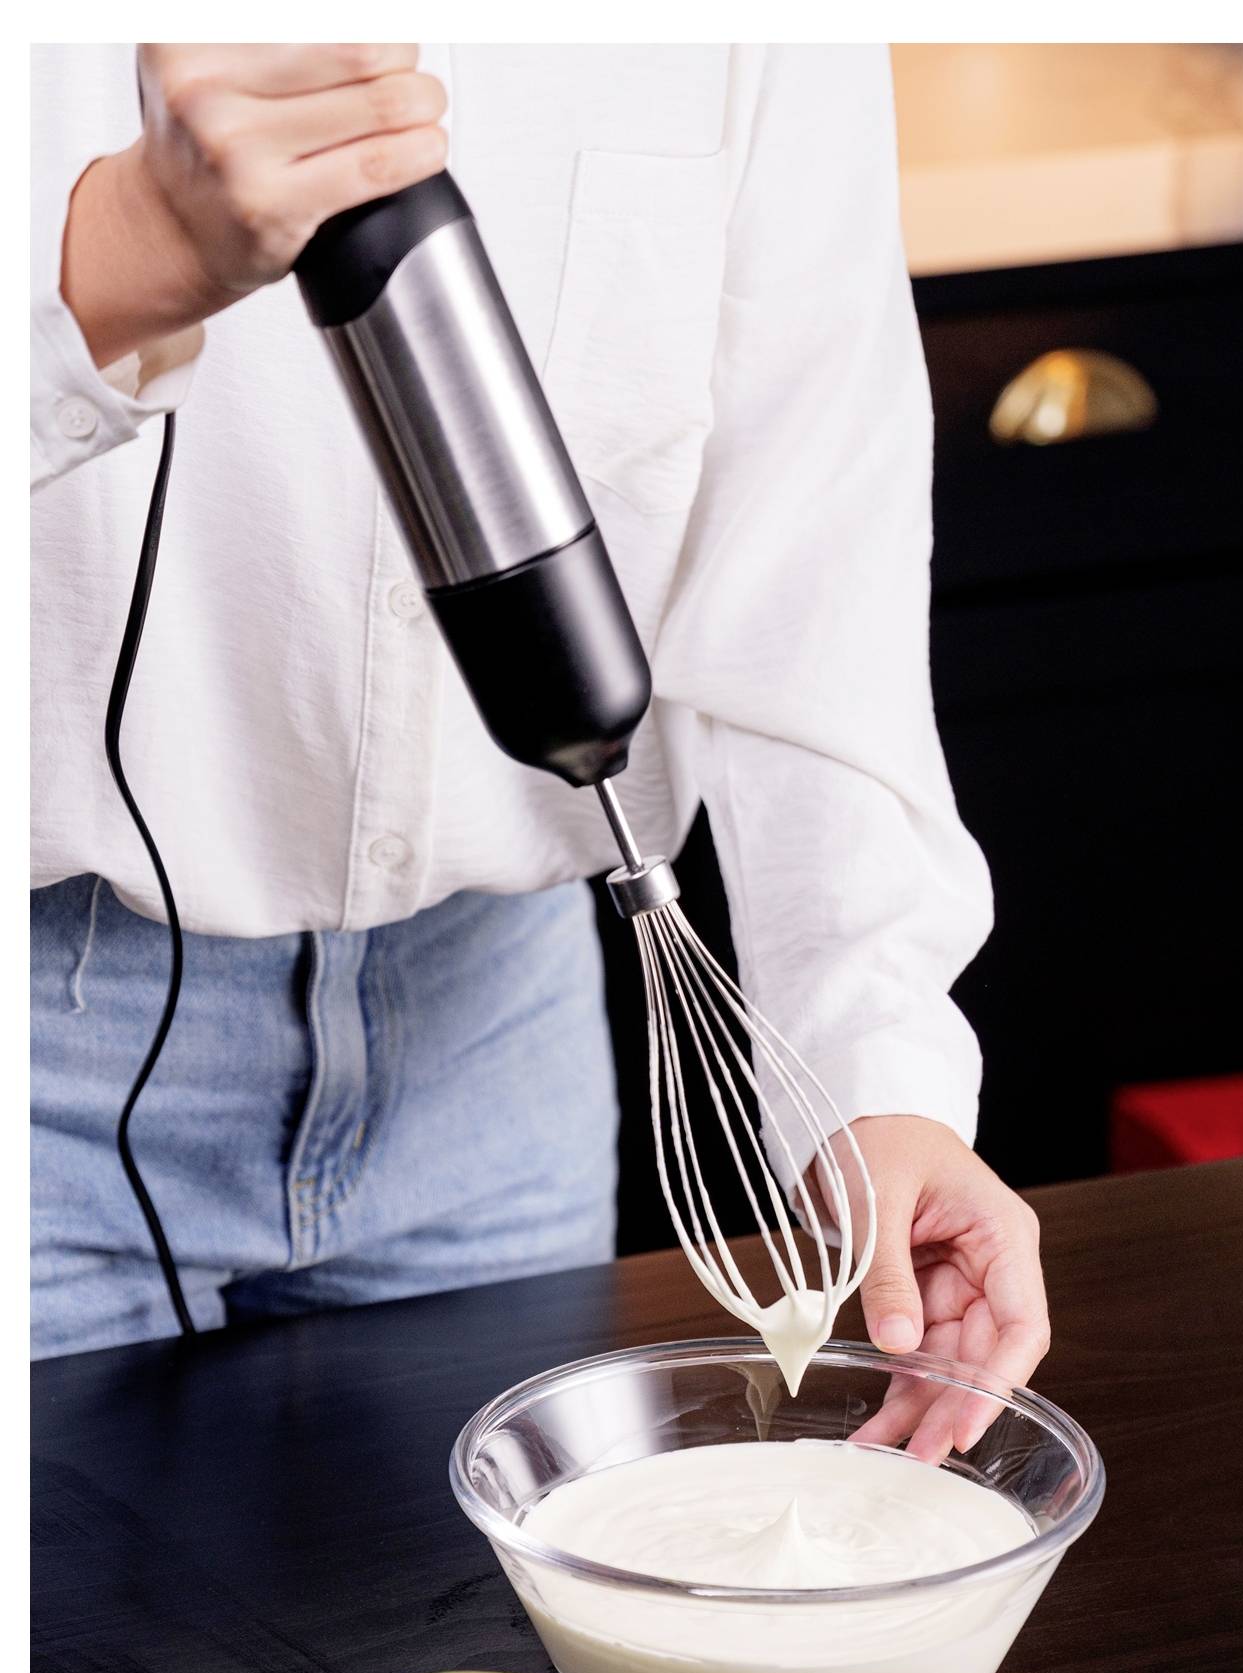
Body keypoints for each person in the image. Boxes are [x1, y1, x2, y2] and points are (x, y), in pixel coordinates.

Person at [31, 41, 1048, 1440]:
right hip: (47, 1059)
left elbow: (816, 547)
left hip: (501, 1039)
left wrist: (875, 1076)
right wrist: (104, 266)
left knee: (478, 1589)